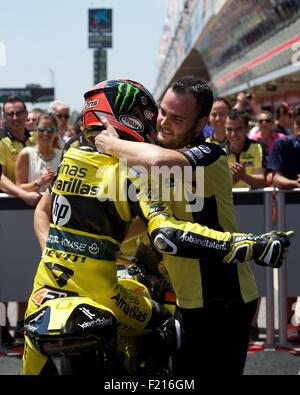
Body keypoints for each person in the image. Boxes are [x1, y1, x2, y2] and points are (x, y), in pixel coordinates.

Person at [23, 78, 292, 376]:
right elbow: (155, 228)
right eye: (160, 113)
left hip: (222, 297)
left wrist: (111, 143)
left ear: (201, 122)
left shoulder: (207, 154)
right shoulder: (127, 164)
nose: (161, 123)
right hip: (178, 295)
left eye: (176, 118)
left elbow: (161, 179)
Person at [0, 96, 38, 341]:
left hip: (31, 214)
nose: (14, 118)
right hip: (6, 214)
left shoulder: (38, 138)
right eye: (10, 114)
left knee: (27, 270)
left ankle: (24, 324)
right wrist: (23, 194)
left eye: (18, 113)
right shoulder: (2, 142)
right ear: (4, 117)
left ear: (26, 115)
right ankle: (3, 327)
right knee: (5, 270)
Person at [268, 105, 300, 339]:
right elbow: (274, 177)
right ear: (294, 123)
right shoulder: (284, 145)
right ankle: (288, 325)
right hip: (291, 217)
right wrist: (296, 184)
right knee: (291, 272)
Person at [15, 112, 62, 195]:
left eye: (50, 130)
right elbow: (18, 187)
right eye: (41, 129)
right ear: (35, 130)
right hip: (29, 207)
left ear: (56, 133)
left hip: (54, 206)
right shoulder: (26, 154)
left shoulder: (62, 156)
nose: (45, 133)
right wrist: (39, 182)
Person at [224, 109, 267, 189]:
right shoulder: (218, 150)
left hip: (252, 199)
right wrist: (232, 179)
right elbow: (214, 184)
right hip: (226, 200)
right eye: (229, 129)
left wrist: (243, 176)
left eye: (238, 129)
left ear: (247, 128)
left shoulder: (258, 147)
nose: (233, 134)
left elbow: (261, 181)